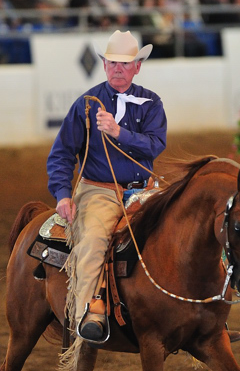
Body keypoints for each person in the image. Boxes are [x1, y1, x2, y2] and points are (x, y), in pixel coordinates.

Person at [47, 30, 167, 342]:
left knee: (182, 229)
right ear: (103, 64)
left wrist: (118, 132)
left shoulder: (151, 103)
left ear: (137, 67)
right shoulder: (86, 104)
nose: (117, 68)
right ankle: (89, 312)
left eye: (125, 64)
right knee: (93, 239)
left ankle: (200, 314)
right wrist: (62, 194)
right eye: (112, 62)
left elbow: (155, 146)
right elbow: (61, 154)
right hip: (99, 189)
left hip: (144, 189)